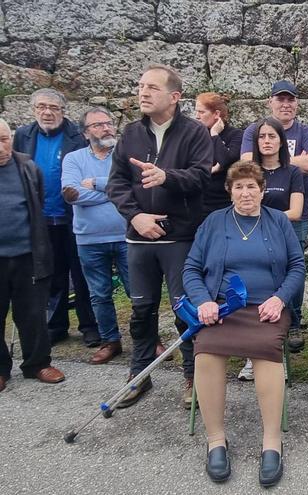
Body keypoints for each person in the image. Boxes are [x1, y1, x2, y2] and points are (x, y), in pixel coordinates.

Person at [182, 161, 305, 487]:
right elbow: (191, 270)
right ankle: (216, 440)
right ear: (230, 191)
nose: (246, 192)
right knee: (206, 350)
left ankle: (271, 442)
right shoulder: (213, 222)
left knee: (266, 351)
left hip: (267, 309)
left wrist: (280, 298)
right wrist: (204, 302)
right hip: (222, 309)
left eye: (252, 186)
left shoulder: (278, 221)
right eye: (239, 187)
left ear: (263, 191)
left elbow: (297, 267)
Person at [107, 64, 213, 409]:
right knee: (141, 308)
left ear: (174, 96)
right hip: (139, 238)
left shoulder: (195, 133)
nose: (143, 92)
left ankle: (191, 375)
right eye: (141, 86)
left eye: (152, 87)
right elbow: (117, 183)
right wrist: (135, 216)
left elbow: (200, 177)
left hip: (179, 238)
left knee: (186, 308)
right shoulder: (130, 134)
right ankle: (139, 373)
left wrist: (166, 177)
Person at [12, 88, 97, 346]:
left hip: (73, 216)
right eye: (41, 107)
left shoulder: (77, 136)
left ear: (63, 111)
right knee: (51, 272)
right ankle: (56, 324)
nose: (47, 112)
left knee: (81, 272)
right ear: (34, 109)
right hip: (41, 218)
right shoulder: (24, 135)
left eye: (53, 107)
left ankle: (90, 326)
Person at [240, 80, 308, 337]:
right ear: (270, 102)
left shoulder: (306, 131)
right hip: (256, 216)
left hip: (296, 214)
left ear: (297, 103)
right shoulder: (253, 129)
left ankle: (294, 322)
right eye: (280, 99)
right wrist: (288, 160)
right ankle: (264, 316)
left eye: (291, 100)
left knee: (294, 267)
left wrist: (278, 161)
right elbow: (246, 163)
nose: (285, 104)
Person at [60, 107, 131, 365]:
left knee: (139, 292)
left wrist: (98, 184)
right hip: (89, 239)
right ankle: (110, 341)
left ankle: (149, 338)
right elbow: (71, 194)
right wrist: (116, 191)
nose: (106, 128)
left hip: (127, 236)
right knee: (99, 294)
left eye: (109, 123)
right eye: (98, 125)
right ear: (85, 132)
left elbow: (135, 188)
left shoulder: (125, 155)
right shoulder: (74, 159)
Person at [0, 118, 66, 392]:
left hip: (28, 254)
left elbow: (36, 204)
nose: (0, 147)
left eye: (4, 139)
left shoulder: (27, 167)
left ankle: (37, 363)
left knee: (33, 314)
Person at [238, 117, 305, 379]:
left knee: (279, 294)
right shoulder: (247, 172)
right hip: (250, 240)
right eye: (262, 136)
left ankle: (275, 355)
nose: (266, 141)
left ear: (281, 141)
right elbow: (240, 208)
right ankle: (251, 357)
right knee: (252, 294)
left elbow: (296, 211)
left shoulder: (293, 173)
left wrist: (263, 215)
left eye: (272, 136)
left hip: (281, 240)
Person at [195, 92, 243, 216]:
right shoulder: (195, 136)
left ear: (216, 114)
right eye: (197, 112)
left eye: (201, 112)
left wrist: (215, 135)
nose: (197, 116)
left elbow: (226, 160)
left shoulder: (235, 135)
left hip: (223, 201)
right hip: (198, 201)